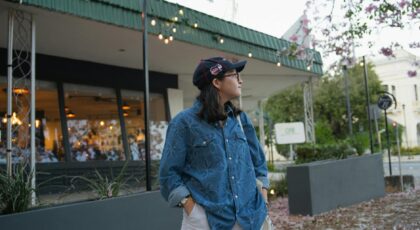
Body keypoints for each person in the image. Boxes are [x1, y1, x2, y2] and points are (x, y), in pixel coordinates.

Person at [159, 57, 270, 230]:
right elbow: (168, 174)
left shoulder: (241, 120)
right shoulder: (184, 123)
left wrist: (263, 199)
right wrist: (193, 211)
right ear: (217, 82)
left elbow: (259, 164)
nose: (241, 80)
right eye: (234, 75)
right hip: (206, 220)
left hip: (250, 219)